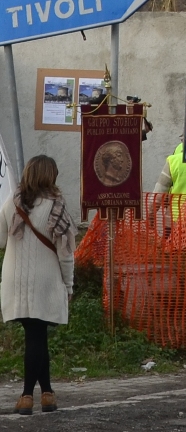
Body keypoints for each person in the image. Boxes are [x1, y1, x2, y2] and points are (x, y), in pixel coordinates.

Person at [0, 155, 76, 415]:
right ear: (50, 176)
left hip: (14, 278)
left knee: (35, 335)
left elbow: (0, 239)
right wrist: (69, 285)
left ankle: (47, 394)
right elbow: (66, 252)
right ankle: (25, 396)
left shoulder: (12, 202)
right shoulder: (57, 205)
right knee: (37, 335)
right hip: (44, 280)